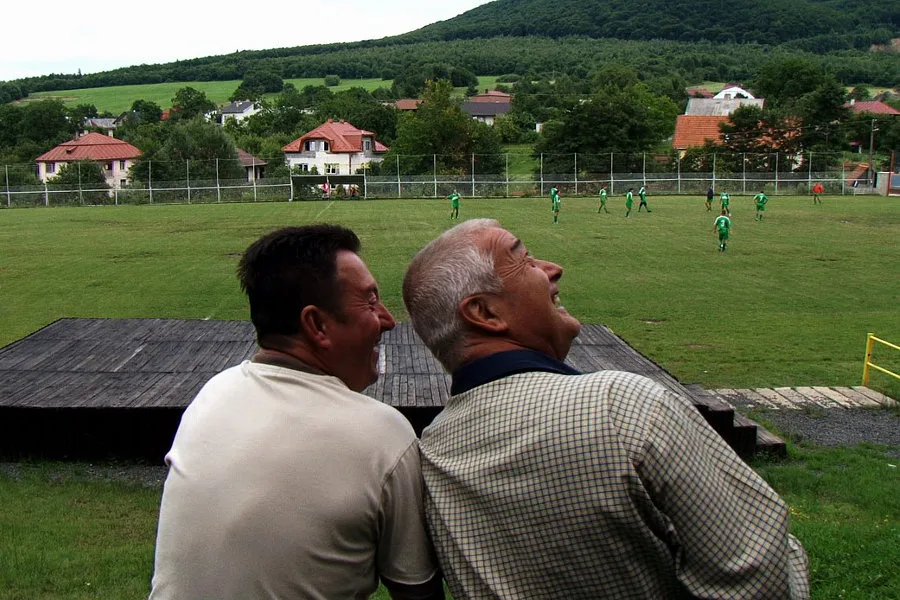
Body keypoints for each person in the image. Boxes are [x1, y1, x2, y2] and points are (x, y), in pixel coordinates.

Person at [402, 218, 808, 600]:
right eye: (524, 259)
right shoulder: (622, 406)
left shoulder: (429, 459)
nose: (553, 269)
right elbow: (762, 577)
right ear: (485, 313)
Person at [149, 225, 443, 600]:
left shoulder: (213, 394)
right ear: (317, 324)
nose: (388, 320)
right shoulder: (382, 434)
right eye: (370, 302)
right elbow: (417, 592)